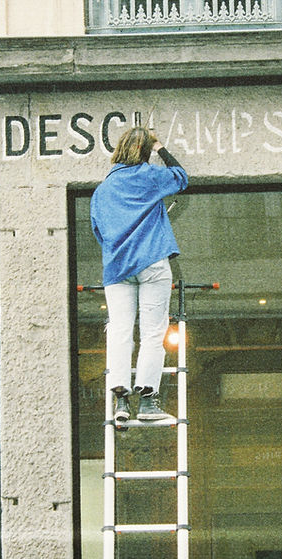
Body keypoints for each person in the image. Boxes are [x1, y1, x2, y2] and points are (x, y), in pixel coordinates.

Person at [90, 126, 189, 426]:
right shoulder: (149, 176)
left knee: (120, 331)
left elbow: (98, 231)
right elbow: (181, 177)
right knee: (152, 333)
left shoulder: (102, 190)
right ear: (145, 153)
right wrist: (159, 148)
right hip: (151, 261)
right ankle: (147, 401)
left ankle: (121, 400)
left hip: (117, 268)